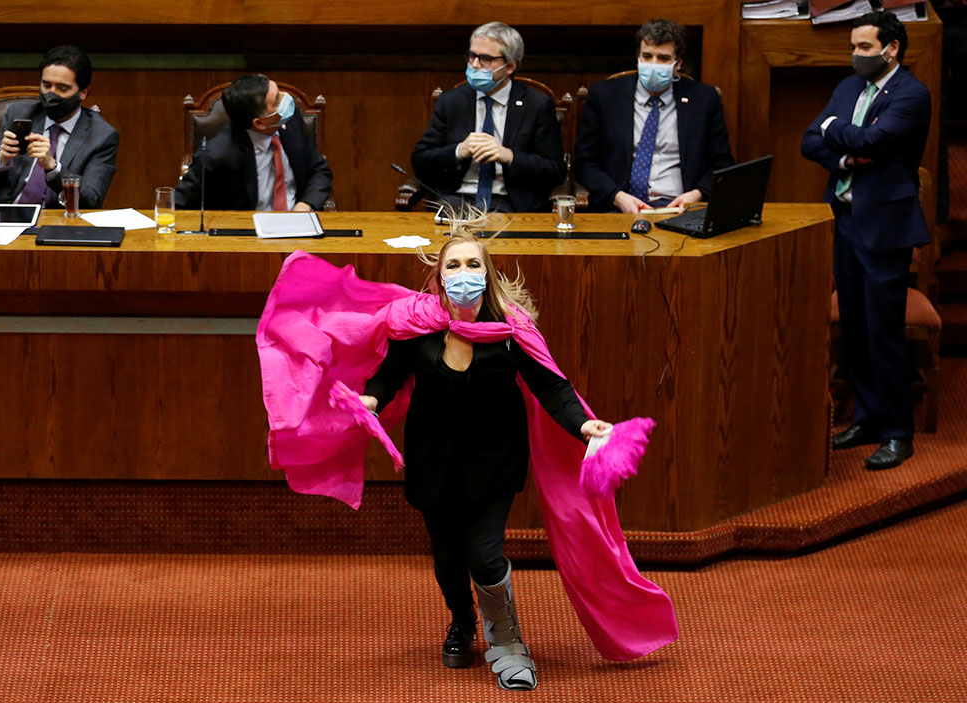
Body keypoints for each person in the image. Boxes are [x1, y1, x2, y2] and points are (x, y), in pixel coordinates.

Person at [255, 231, 679, 692]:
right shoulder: (414, 327)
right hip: (432, 459)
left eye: (473, 265)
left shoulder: (512, 332)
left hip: (494, 461)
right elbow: (388, 376)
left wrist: (583, 426)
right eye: (453, 266)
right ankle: (462, 622)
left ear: (488, 274)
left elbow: (553, 387)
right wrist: (371, 401)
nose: (463, 275)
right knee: (447, 559)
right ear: (438, 277)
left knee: (483, 552)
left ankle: (507, 640)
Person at [801, 11, 931, 470]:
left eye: (865, 48)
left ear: (891, 48)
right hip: (847, 220)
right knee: (855, 328)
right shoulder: (849, 87)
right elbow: (807, 142)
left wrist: (835, 133)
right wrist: (846, 158)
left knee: (884, 332)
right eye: (853, 47)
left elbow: (873, 140)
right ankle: (870, 417)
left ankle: (898, 432)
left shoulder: (912, 94)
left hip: (885, 228)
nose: (855, 56)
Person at [573, 18, 734, 213]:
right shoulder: (605, 96)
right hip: (619, 207)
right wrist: (617, 196)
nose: (653, 65)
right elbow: (584, 163)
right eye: (647, 56)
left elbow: (722, 163)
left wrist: (697, 194)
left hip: (681, 207)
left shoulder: (703, 100)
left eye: (663, 59)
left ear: (678, 64)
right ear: (638, 58)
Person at [410, 22, 566, 213]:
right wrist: (459, 150)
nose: (474, 64)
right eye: (471, 56)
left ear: (510, 66)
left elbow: (555, 171)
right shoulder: (451, 101)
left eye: (485, 59)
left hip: (512, 204)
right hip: (456, 200)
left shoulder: (537, 105)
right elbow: (420, 161)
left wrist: (509, 156)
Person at [175, 74, 332, 211]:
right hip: (248, 235)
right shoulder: (216, 157)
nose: (287, 99)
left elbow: (319, 170)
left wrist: (305, 204)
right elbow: (179, 205)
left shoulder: (291, 122)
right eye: (277, 100)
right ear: (260, 123)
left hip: (299, 226)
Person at [0, 45, 119, 209]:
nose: (51, 94)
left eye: (62, 88)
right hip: (8, 218)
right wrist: (1, 158)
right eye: (46, 85)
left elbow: (91, 200)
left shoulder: (101, 136)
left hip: (59, 223)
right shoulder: (19, 114)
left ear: (83, 93)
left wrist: (53, 167)